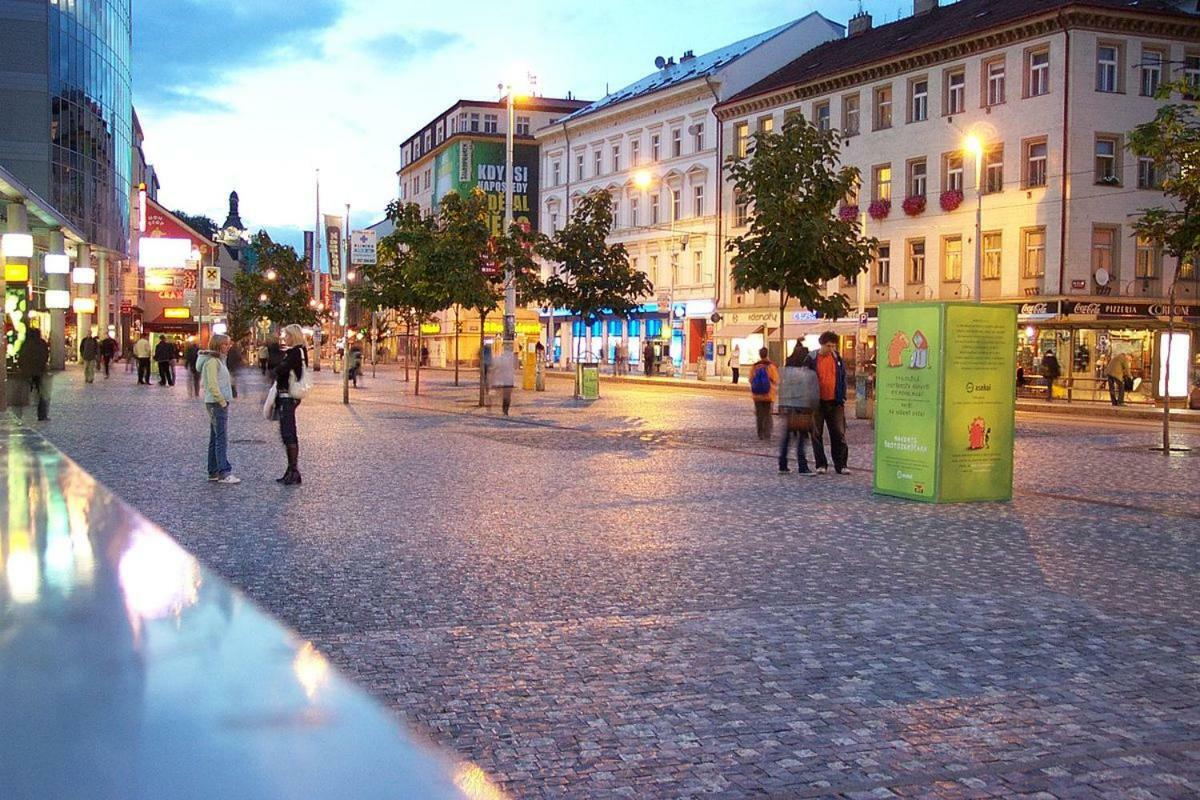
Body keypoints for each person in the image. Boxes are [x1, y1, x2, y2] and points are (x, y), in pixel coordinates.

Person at [197, 333, 240, 484]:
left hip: (216, 402)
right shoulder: (213, 362)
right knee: (221, 438)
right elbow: (212, 385)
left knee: (215, 437)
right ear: (218, 345)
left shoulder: (218, 361)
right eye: (225, 344)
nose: (228, 347)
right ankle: (223, 471)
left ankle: (213, 471)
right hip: (216, 403)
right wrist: (222, 401)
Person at [806, 331, 850, 475]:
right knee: (816, 434)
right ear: (821, 344)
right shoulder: (812, 358)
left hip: (835, 401)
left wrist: (842, 396)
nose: (831, 349)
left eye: (833, 346)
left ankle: (841, 464)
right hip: (816, 402)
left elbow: (843, 377)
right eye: (828, 346)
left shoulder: (837, 358)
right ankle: (821, 464)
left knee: (838, 433)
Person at [273, 324, 309, 486]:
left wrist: (279, 366)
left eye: (286, 335)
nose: (284, 338)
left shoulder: (295, 352)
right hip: (287, 396)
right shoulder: (296, 352)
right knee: (286, 432)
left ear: (293, 336)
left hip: (288, 396)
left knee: (288, 432)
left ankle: (293, 471)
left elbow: (282, 370)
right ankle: (290, 469)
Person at [777, 343, 818, 474]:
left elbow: (781, 390)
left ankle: (782, 465)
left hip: (789, 410)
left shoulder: (785, 372)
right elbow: (813, 394)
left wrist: (782, 405)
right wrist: (814, 408)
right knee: (801, 439)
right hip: (803, 410)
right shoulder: (808, 373)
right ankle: (803, 466)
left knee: (787, 438)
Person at [17, 327, 51, 421]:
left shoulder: (25, 344)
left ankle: (20, 414)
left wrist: (23, 368)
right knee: (42, 393)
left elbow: (21, 358)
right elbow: (46, 355)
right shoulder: (41, 343)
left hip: (27, 372)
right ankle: (42, 414)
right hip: (39, 372)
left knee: (24, 392)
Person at [748, 347, 779, 441]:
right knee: (767, 414)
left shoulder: (755, 366)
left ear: (760, 355)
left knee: (759, 415)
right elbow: (776, 379)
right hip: (768, 395)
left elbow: (750, 379)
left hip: (757, 395)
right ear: (767, 354)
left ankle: (760, 433)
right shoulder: (771, 366)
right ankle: (767, 433)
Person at [491, 347, 517, 415]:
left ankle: (504, 409)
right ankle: (506, 409)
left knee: (504, 396)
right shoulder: (512, 360)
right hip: (509, 381)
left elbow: (496, 369)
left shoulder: (501, 360)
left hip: (504, 381)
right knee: (507, 397)